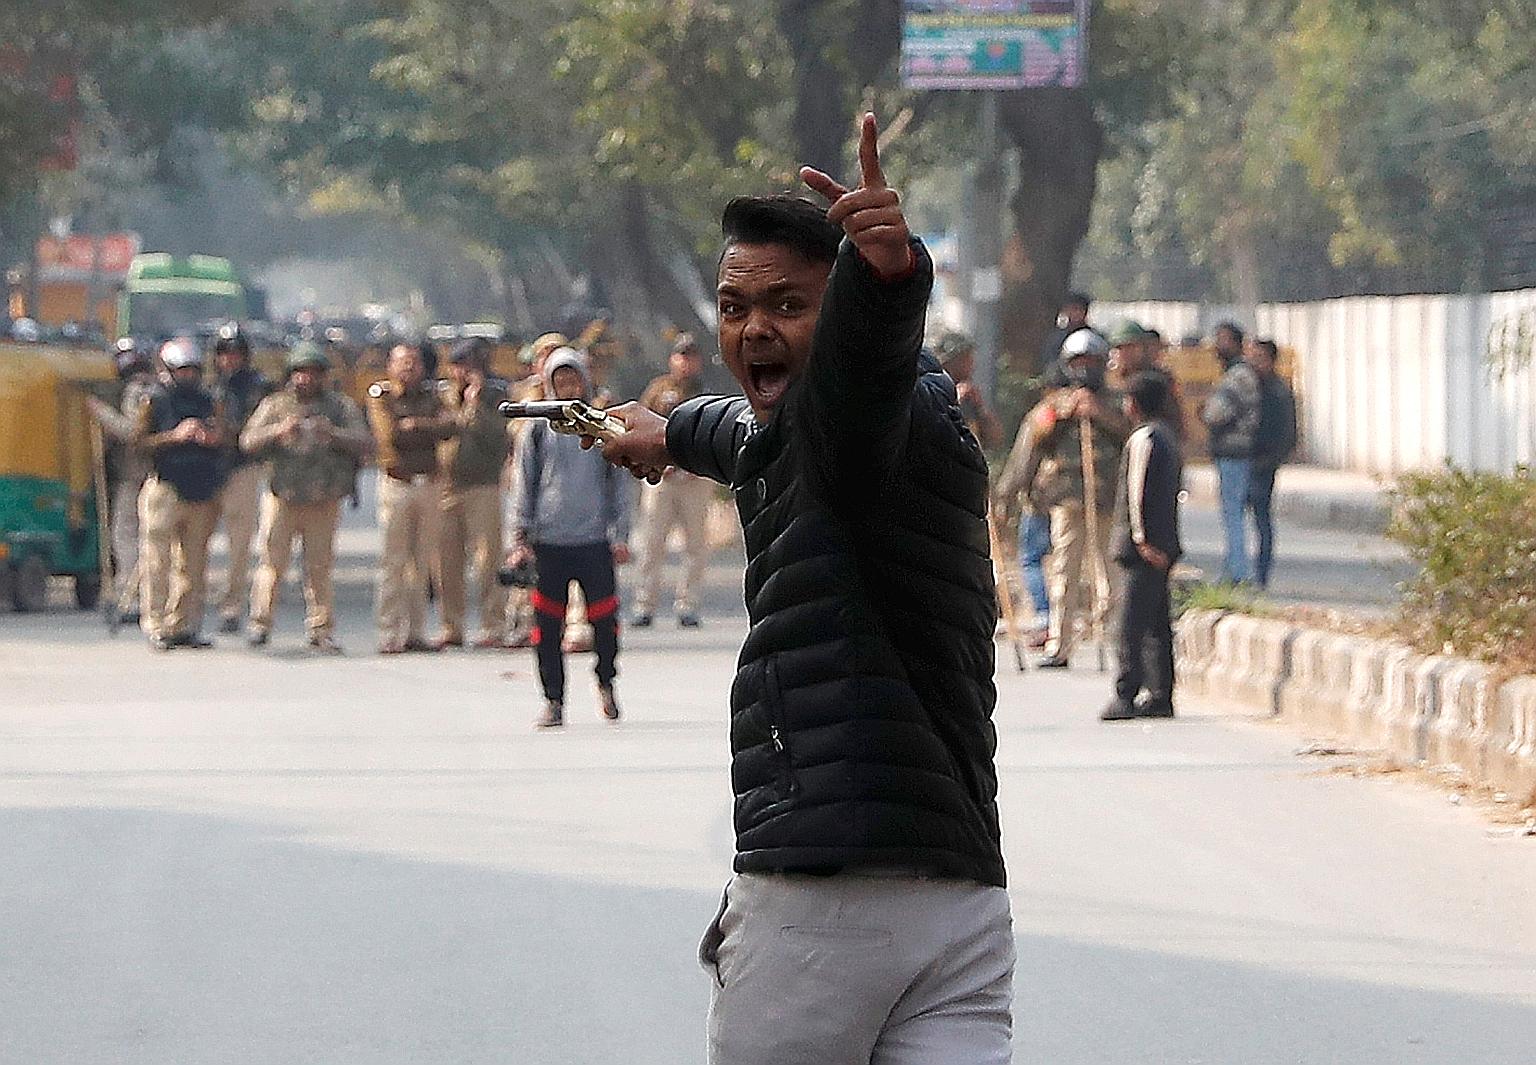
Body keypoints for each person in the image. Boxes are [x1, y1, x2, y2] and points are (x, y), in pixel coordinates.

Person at [592, 114, 1012, 1065]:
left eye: (788, 304)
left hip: (821, 894)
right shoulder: (890, 428)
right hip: (960, 903)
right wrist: (665, 430)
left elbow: (851, 383)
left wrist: (886, 277)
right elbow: (752, 432)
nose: (753, 331)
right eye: (735, 307)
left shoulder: (861, 416)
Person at [509, 347, 631, 727]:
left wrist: (621, 534)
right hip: (549, 544)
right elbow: (523, 482)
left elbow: (620, 482)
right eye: (558, 380)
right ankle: (553, 700)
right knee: (546, 629)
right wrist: (520, 533)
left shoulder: (599, 424)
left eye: (572, 379)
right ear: (548, 383)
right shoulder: (536, 429)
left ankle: (607, 685)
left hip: (594, 541)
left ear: (584, 380)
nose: (566, 386)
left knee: (605, 624)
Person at [1001, 328, 1128, 669]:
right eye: (1079, 362)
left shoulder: (1117, 402)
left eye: (1092, 361)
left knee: (1109, 575)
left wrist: (1100, 414)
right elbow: (1029, 446)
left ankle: (1113, 640)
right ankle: (1060, 643)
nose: (1086, 368)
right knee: (1063, 574)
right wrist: (1008, 494)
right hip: (1066, 502)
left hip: (1107, 500)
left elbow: (1132, 436)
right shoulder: (1053, 404)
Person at [240, 342, 371, 652]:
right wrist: (279, 431)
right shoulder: (274, 406)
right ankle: (260, 623)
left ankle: (321, 628)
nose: (306, 379)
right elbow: (247, 440)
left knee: (319, 568)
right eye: (300, 373)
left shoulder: (340, 407)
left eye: (313, 373)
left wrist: (333, 434)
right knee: (272, 565)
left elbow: (365, 441)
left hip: (323, 498)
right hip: (283, 495)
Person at [133, 339, 228, 651]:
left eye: (192, 370)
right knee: (157, 561)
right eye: (181, 370)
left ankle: (184, 624)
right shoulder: (154, 401)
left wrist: (212, 438)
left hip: (200, 488)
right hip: (165, 486)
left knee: (193, 565)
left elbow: (228, 439)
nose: (187, 376)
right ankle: (155, 623)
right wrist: (174, 436)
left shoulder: (208, 401)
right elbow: (139, 443)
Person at [1102, 371, 1184, 722]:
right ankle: (1162, 694)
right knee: (1156, 624)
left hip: (1142, 549)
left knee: (1132, 625)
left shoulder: (1144, 439)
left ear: (1133, 404)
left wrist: (1141, 539)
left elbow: (1137, 494)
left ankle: (1127, 694)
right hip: (1162, 546)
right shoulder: (1168, 437)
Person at [366, 343, 458, 654]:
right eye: (402, 362)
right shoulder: (382, 397)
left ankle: (416, 632)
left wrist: (417, 425)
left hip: (428, 484)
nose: (409, 368)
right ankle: (389, 631)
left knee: (422, 563)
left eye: (414, 363)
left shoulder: (432, 397)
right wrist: (425, 431)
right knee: (394, 561)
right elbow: (390, 436)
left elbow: (452, 425)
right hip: (398, 484)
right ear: (390, 366)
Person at [437, 338, 514, 648]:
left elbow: (498, 437)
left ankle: (492, 623)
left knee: (487, 560)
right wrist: (461, 404)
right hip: (445, 486)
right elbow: (441, 428)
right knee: (446, 563)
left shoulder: (495, 396)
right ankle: (451, 625)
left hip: (483, 485)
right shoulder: (441, 396)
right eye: (459, 366)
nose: (464, 372)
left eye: (471, 366)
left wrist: (476, 404)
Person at [632, 334, 712, 628]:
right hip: (661, 478)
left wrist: (700, 465)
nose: (685, 362)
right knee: (652, 543)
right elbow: (640, 424)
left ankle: (688, 604)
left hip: (694, 477)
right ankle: (645, 604)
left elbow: (712, 433)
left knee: (695, 545)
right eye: (681, 355)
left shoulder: (707, 390)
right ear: (672, 359)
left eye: (691, 356)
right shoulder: (658, 389)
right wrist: (652, 460)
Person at [210, 322, 274, 634]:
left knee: (239, 542)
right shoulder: (208, 385)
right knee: (191, 542)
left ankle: (231, 605)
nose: (230, 359)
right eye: (224, 353)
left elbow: (254, 428)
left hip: (242, 467)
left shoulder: (257, 387)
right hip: (207, 468)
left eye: (235, 353)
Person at [87, 337, 157, 622]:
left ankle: (132, 594)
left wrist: (99, 412)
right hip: (139, 472)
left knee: (126, 536)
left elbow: (130, 432)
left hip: (137, 474)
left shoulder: (138, 392)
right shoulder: (151, 388)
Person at [1200, 321, 1262, 584]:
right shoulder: (1238, 374)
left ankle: (1238, 572)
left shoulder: (1238, 376)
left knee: (1232, 514)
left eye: (1223, 339)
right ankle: (1233, 569)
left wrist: (1203, 411)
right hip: (1235, 453)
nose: (1217, 345)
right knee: (1231, 513)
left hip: (1235, 452)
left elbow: (1215, 413)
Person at [1246, 338, 1298, 589]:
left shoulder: (1277, 390)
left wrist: (1271, 460)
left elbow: (1288, 432)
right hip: (1246, 459)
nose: (1254, 363)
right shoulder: (1249, 386)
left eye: (1259, 358)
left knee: (1262, 521)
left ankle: (1261, 575)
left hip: (1263, 464)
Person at [934, 330, 1003, 448]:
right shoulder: (931, 388)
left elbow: (995, 438)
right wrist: (955, 402)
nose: (971, 364)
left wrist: (980, 408)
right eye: (963, 358)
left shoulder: (969, 395)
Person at [1039, 291, 1092, 364]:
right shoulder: (1057, 338)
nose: (1077, 313)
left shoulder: (1093, 337)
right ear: (1066, 311)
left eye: (1081, 309)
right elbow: (1049, 362)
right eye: (1073, 309)